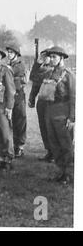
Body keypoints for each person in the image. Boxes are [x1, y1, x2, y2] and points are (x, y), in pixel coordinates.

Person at [40, 46, 75, 184]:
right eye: (51, 56)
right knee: (53, 142)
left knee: (65, 143)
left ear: (61, 58)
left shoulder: (68, 75)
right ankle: (60, 171)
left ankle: (68, 173)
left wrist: (72, 118)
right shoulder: (48, 73)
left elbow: (74, 97)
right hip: (49, 111)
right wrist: (39, 62)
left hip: (62, 112)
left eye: (55, 57)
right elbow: (36, 77)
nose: (52, 59)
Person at [28, 49, 54, 162]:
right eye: (44, 56)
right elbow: (34, 81)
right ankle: (49, 151)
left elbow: (34, 76)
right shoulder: (42, 69)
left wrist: (37, 65)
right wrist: (38, 63)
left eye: (47, 56)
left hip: (51, 103)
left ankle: (54, 152)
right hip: (42, 102)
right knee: (43, 127)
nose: (46, 58)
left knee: (51, 128)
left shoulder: (52, 70)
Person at [6, 44, 27, 158]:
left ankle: (20, 146)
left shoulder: (20, 65)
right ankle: (13, 145)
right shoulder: (7, 65)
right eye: (8, 52)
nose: (9, 54)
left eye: (11, 52)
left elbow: (12, 72)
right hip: (10, 96)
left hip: (18, 96)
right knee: (11, 121)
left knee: (20, 120)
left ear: (16, 54)